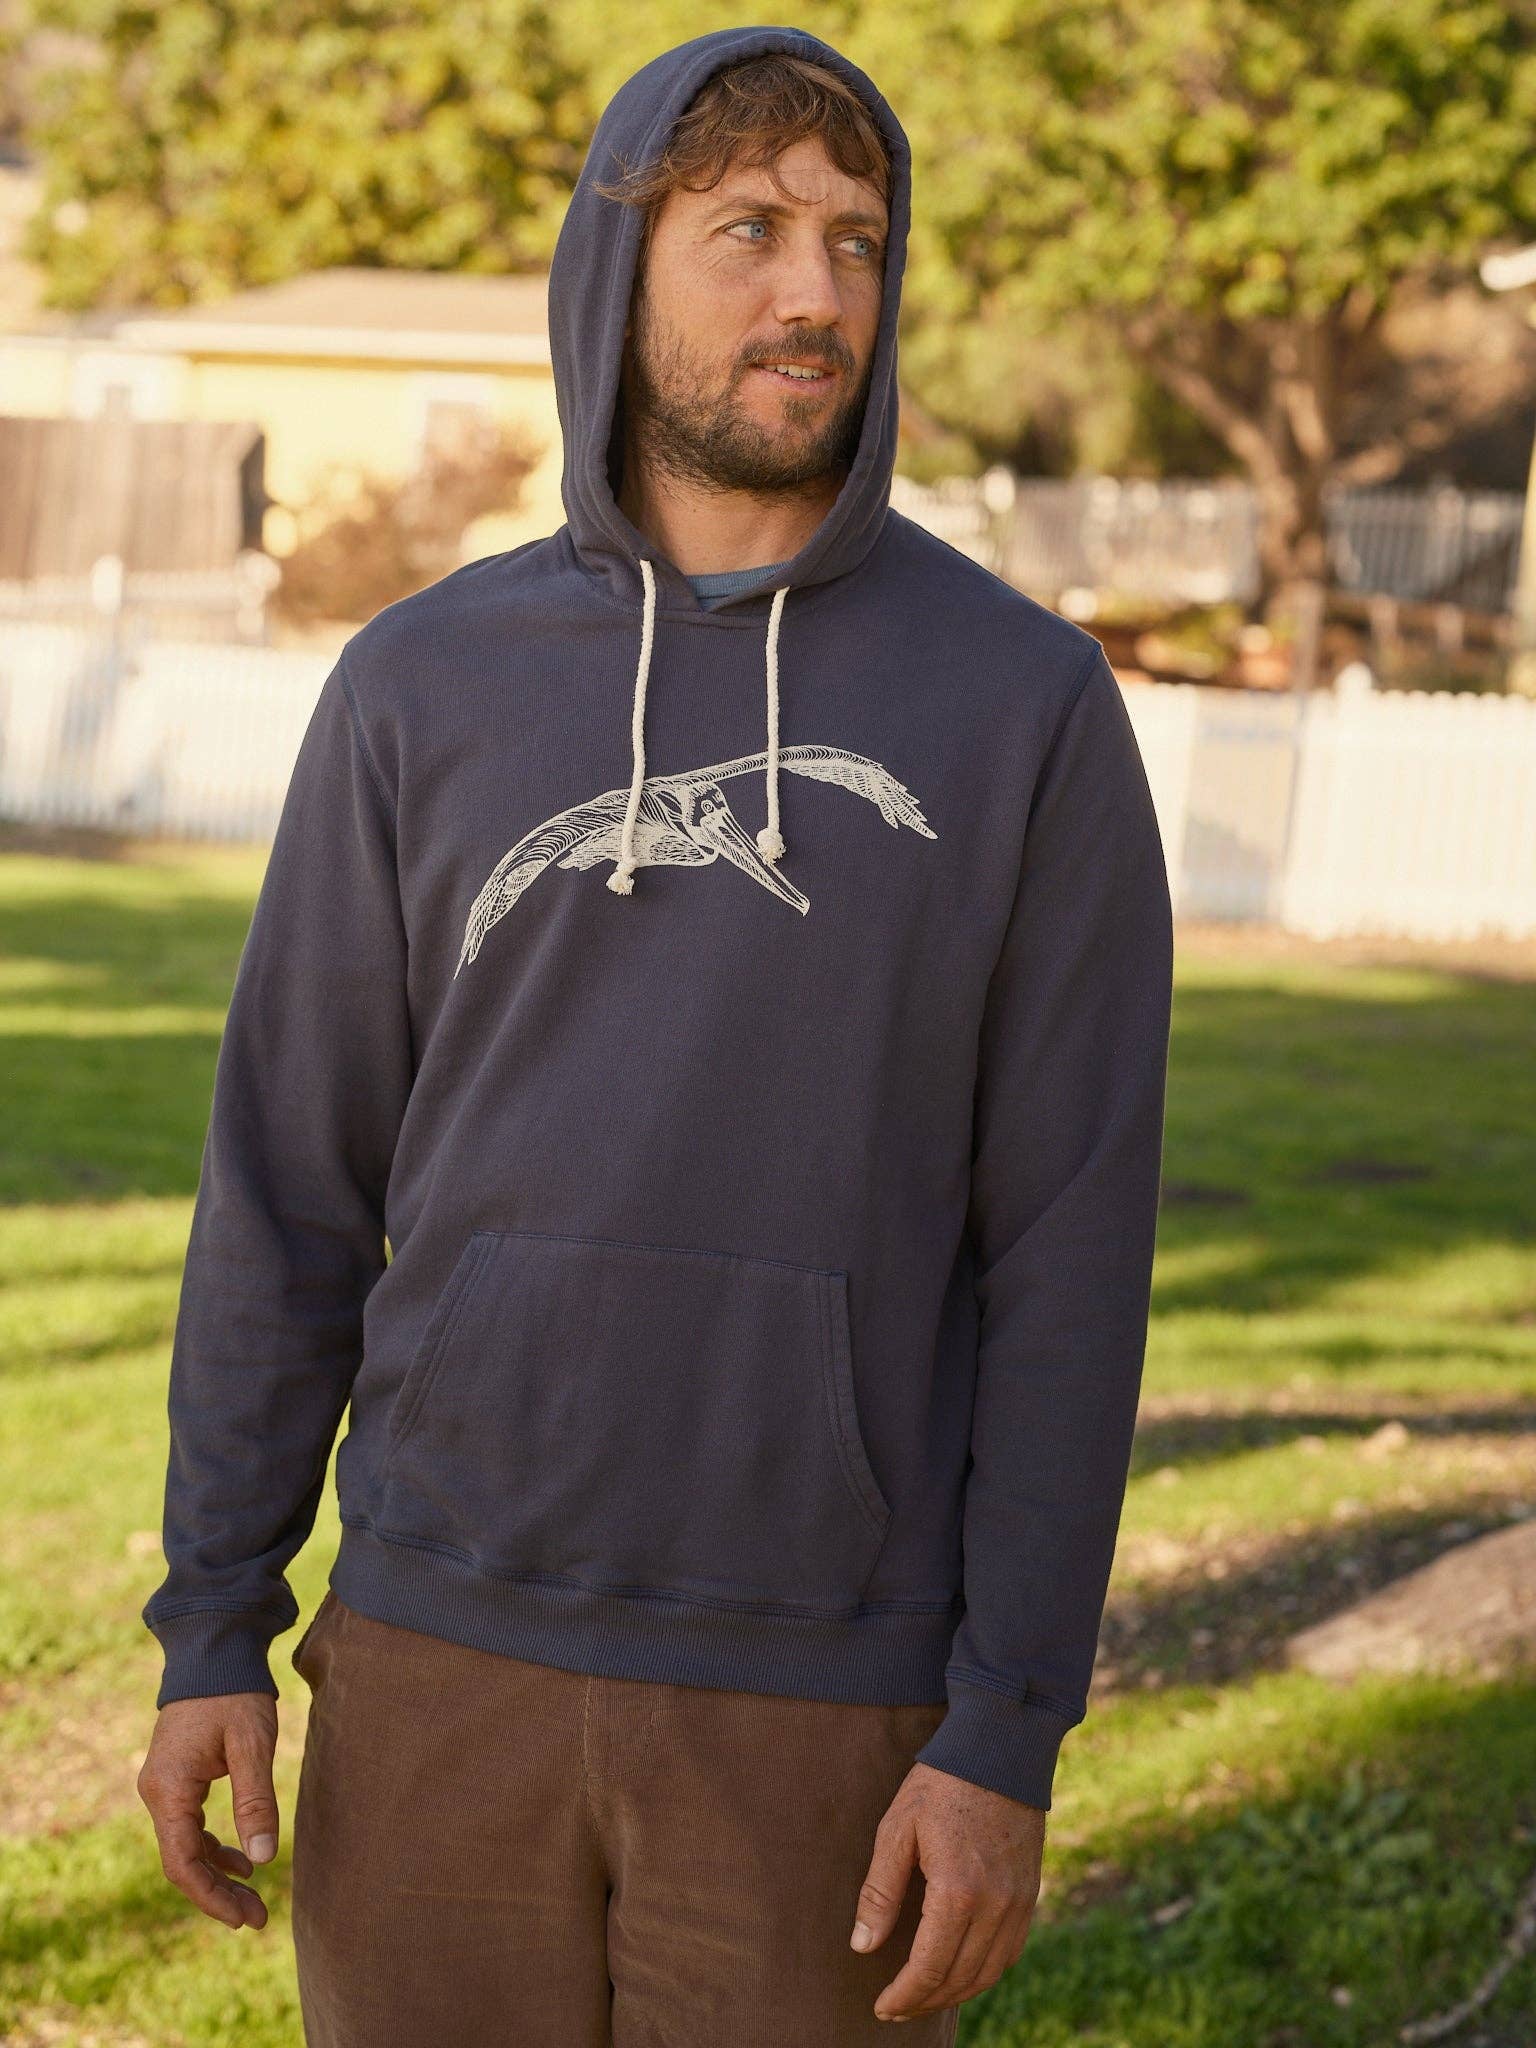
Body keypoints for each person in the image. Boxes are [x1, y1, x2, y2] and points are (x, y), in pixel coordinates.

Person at [134, 25, 1174, 2044]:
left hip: (827, 1698)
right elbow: (288, 1181)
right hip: (438, 1656)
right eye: (750, 231)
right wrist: (212, 1622)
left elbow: (1069, 1252)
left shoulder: (1024, 708)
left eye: (858, 240)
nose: (817, 292)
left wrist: (1006, 1724)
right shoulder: (422, 686)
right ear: (620, 273)